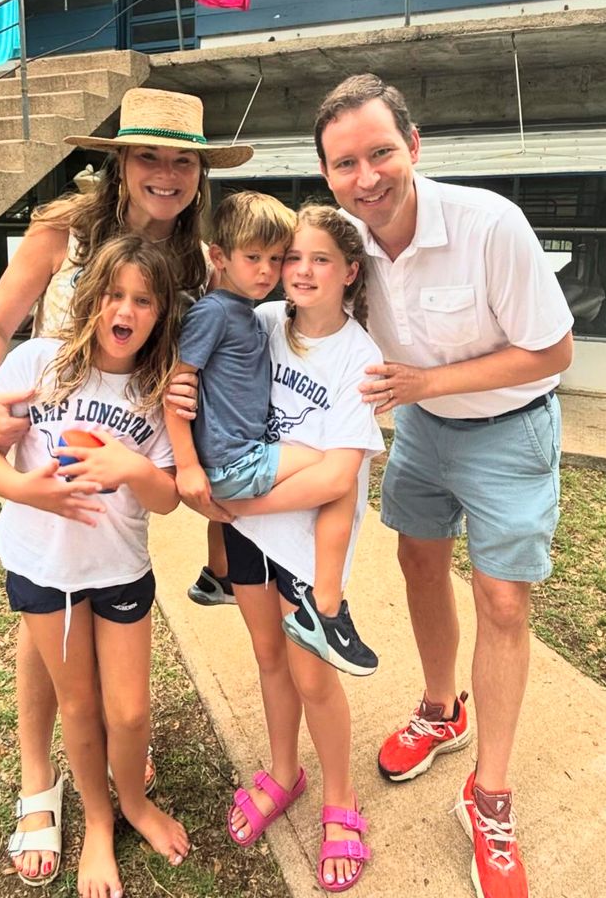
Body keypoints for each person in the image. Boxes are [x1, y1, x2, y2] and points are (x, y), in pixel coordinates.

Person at [0, 86, 252, 884]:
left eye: (182, 160)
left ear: (198, 172)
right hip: (45, 441)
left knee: (106, 676)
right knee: (42, 637)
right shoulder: (65, 230)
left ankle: (117, 769)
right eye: (148, 155)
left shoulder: (197, 261)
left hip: (124, 457)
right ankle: (37, 782)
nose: (165, 173)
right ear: (120, 160)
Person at [313, 73, 574, 898]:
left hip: (508, 427)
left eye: (381, 152)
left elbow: (555, 351)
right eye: (345, 163)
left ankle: (490, 798)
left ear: (414, 146)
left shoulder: (490, 225)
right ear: (327, 174)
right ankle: (441, 709)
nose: (367, 177)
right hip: (426, 432)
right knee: (419, 564)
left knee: (502, 601)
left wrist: (425, 384)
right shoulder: (347, 247)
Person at [0, 236, 190, 898]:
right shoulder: (38, 364)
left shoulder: (158, 389)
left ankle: (135, 805)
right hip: (45, 573)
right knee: (79, 705)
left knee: (128, 714)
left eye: (143, 301)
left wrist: (134, 468)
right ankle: (96, 820)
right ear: (91, 299)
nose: (126, 310)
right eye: (115, 295)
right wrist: (28, 490)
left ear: (159, 314)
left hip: (119, 571)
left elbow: (168, 497)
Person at [215, 206, 385, 892]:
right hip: (247, 531)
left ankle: (340, 798)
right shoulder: (259, 324)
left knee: (313, 674)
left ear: (349, 273)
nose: (302, 271)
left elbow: (337, 476)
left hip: (307, 542)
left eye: (320, 260)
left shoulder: (361, 356)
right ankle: (285, 772)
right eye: (293, 259)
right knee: (266, 656)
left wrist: (236, 503)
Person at [166, 191, 378, 674]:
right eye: (257, 258)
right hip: (233, 464)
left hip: (236, 459)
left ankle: (216, 575)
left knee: (334, 468)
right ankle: (327, 607)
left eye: (274, 258)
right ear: (219, 257)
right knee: (335, 469)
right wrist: (188, 466)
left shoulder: (256, 314)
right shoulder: (219, 312)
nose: (270, 270)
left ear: (348, 272)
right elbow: (177, 383)